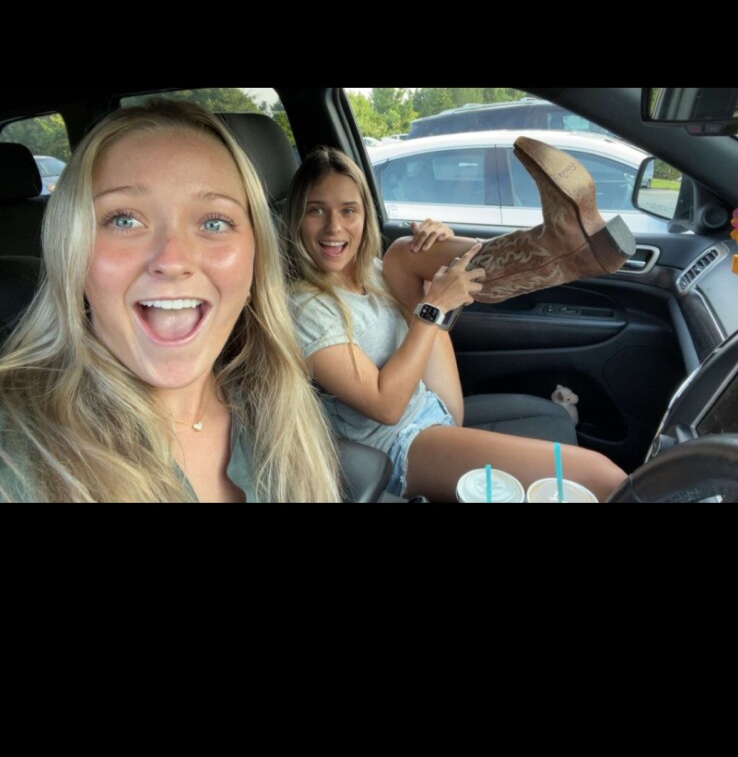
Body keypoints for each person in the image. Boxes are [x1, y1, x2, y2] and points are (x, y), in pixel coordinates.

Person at [0, 101, 340, 503]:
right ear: (71, 254)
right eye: (124, 220)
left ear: (255, 260)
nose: (173, 260)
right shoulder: (16, 455)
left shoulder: (279, 401)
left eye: (214, 222)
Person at [282, 143, 633, 503]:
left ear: (364, 215)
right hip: (397, 447)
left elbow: (434, 328)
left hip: (430, 404)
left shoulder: (370, 269)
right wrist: (433, 307)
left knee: (405, 253)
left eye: (348, 210)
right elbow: (386, 407)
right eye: (316, 210)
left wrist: (439, 260)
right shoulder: (305, 308)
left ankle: (553, 246)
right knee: (602, 476)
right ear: (296, 218)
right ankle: (563, 248)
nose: (334, 226)